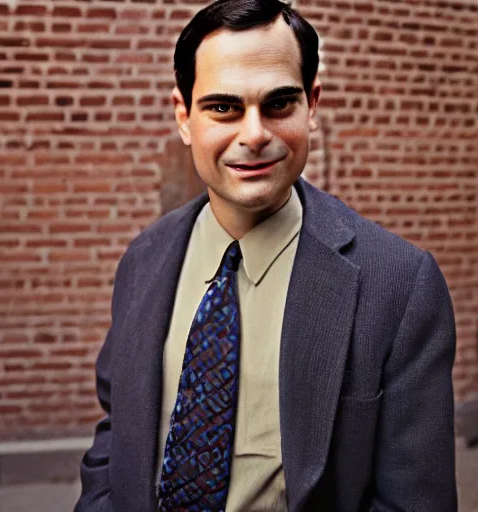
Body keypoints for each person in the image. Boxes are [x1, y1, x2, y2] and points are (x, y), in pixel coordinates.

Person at [74, 1, 457, 510]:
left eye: (278, 104)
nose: (254, 134)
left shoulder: (400, 286)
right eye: (223, 108)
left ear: (311, 105)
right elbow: (118, 430)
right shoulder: (144, 261)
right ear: (184, 116)